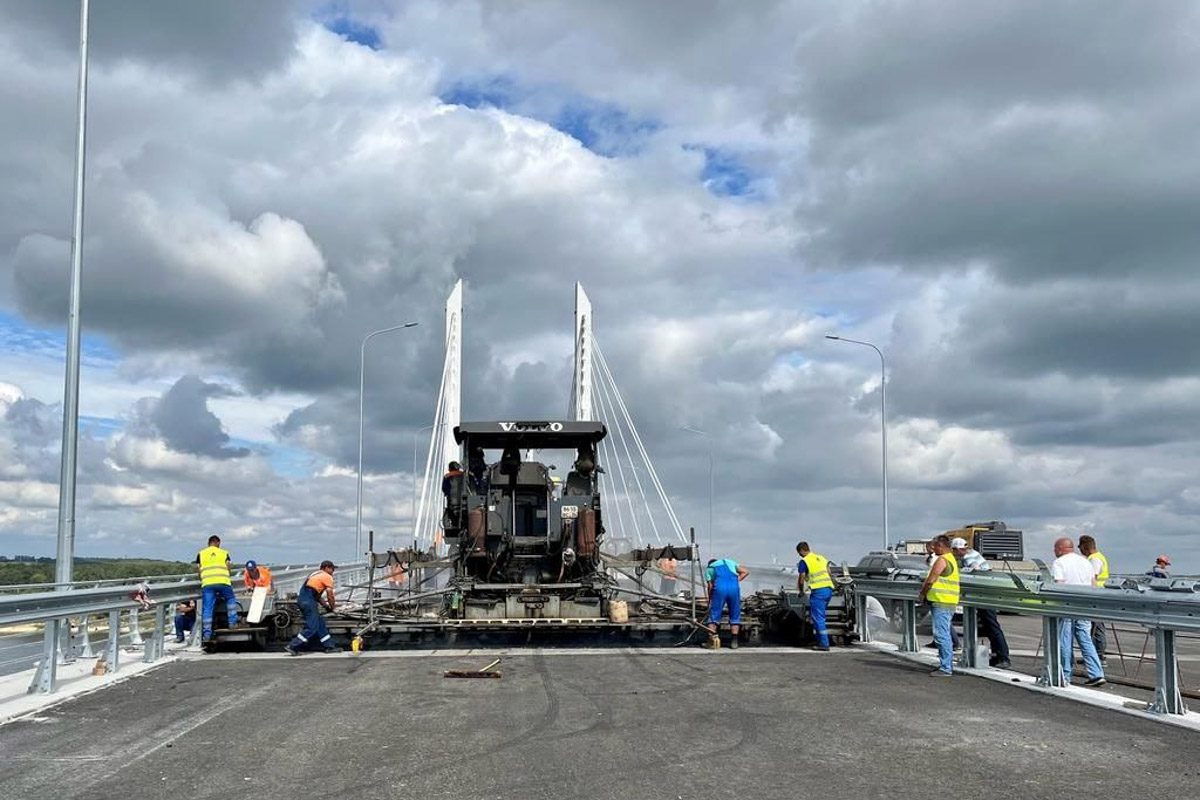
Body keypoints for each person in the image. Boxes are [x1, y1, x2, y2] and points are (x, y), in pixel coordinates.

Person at [1051, 538, 1106, 687]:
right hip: (1084, 605)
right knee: (1085, 639)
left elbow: (1059, 585)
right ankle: (1096, 673)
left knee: (1065, 641)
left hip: (1067, 606)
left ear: (1060, 548)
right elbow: (1093, 583)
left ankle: (1065, 675)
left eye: (1055, 548)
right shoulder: (1085, 562)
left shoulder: (1059, 563)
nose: (1054, 551)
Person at [950, 537, 1011, 669]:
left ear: (959, 549)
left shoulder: (968, 558)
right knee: (989, 626)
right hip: (987, 592)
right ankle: (997, 656)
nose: (954, 553)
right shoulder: (973, 553)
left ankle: (1003, 657)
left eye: (954, 550)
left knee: (991, 625)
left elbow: (976, 570)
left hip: (984, 594)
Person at [918, 535, 959, 677]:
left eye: (935, 546)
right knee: (944, 633)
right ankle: (946, 665)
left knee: (941, 635)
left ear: (941, 546)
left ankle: (946, 667)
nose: (933, 549)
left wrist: (923, 593)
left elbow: (931, 580)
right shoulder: (951, 558)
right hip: (948, 601)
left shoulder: (942, 560)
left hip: (942, 601)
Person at [286, 561, 340, 655]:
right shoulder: (327, 576)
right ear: (326, 568)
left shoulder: (314, 574)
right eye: (332, 569)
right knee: (312, 627)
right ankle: (293, 646)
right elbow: (330, 595)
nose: (333, 571)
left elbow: (317, 596)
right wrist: (333, 608)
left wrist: (326, 606)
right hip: (309, 601)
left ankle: (329, 646)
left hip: (303, 599)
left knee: (320, 623)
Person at [195, 535, 238, 646]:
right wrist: (226, 576)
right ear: (218, 543)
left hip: (208, 584)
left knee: (208, 608)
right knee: (230, 599)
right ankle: (232, 623)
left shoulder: (201, 553)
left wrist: (202, 579)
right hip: (223, 582)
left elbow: (198, 569)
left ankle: (207, 634)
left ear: (208, 543)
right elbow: (228, 566)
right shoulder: (224, 553)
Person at [796, 542, 835, 651]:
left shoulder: (804, 561)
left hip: (818, 592)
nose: (800, 555)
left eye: (799, 553)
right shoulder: (821, 558)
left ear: (802, 551)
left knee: (818, 618)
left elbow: (801, 579)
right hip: (828, 589)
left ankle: (824, 644)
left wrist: (801, 591)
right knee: (819, 616)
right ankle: (819, 640)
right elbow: (829, 572)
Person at [704, 558, 749, 649]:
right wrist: (736, 581)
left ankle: (712, 642)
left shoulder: (710, 568)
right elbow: (745, 572)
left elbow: (710, 586)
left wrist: (710, 599)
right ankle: (734, 642)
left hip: (719, 589)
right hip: (734, 589)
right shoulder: (729, 562)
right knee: (735, 614)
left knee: (714, 615)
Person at [1078, 535, 1109, 664]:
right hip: (1099, 595)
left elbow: (1092, 579)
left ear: (1084, 547)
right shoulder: (1098, 557)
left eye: (1080, 547)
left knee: (1097, 627)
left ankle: (1099, 656)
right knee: (1093, 627)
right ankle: (1092, 655)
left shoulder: (1095, 560)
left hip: (1096, 597)